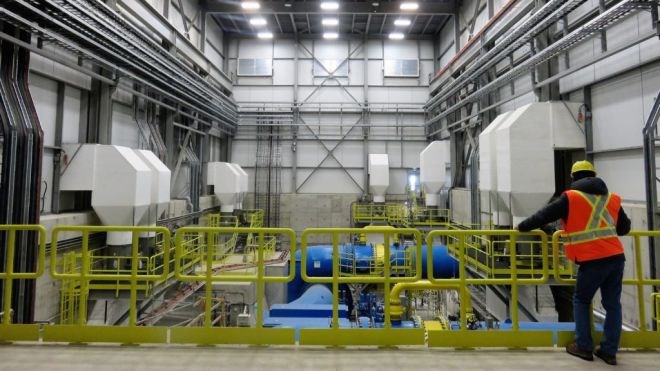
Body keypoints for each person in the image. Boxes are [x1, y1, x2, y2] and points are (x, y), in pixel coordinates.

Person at [517, 160, 630, 365]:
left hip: (592, 259)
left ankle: (584, 346)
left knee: (581, 299)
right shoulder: (611, 198)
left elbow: (543, 216)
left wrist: (522, 227)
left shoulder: (571, 198)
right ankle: (609, 351)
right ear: (594, 175)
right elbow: (624, 228)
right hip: (616, 258)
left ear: (573, 178)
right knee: (613, 304)